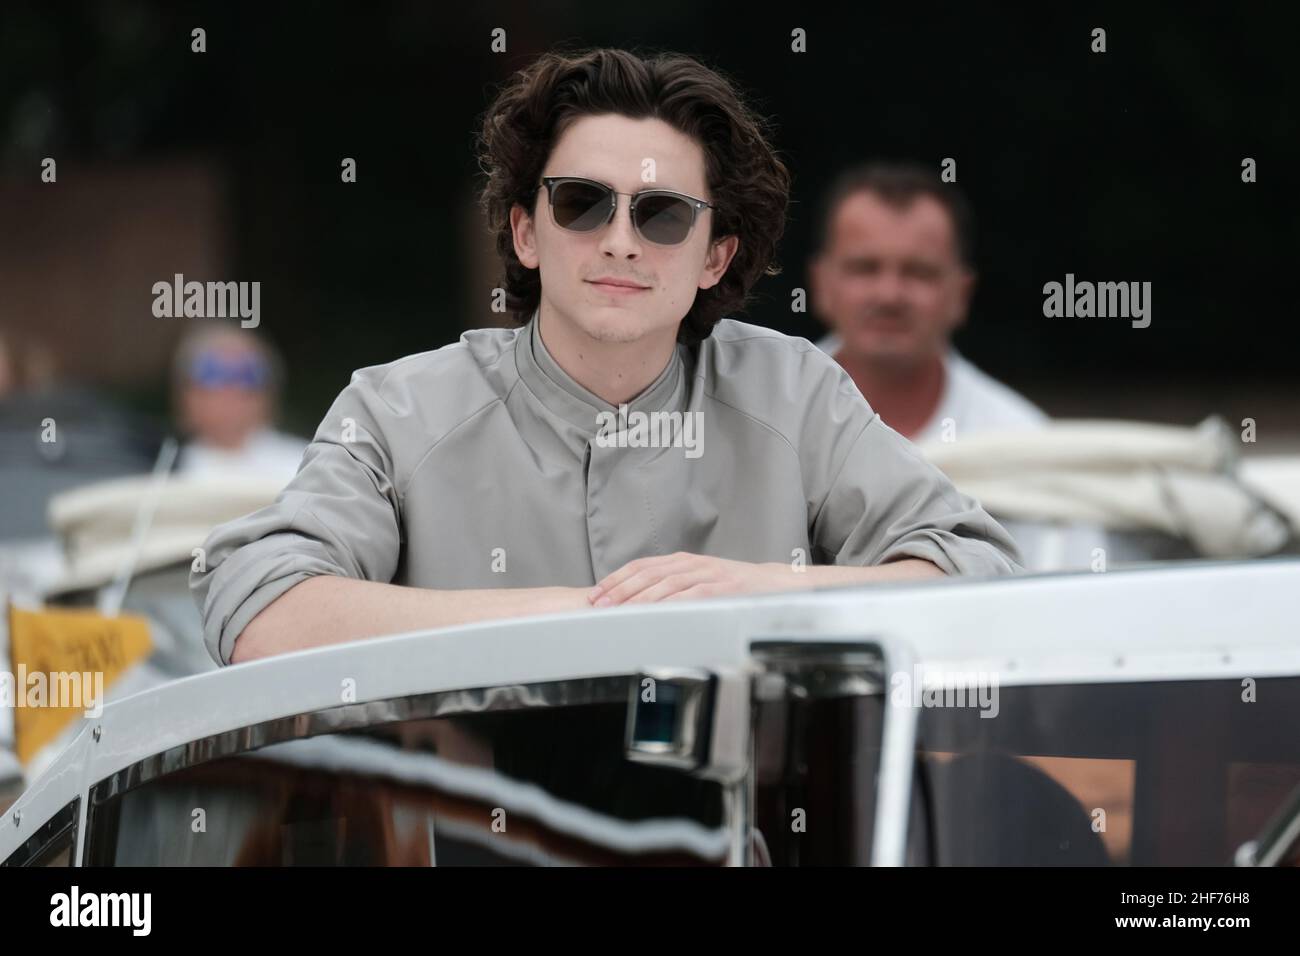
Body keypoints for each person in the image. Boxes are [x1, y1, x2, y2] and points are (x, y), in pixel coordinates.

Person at [191, 48, 1021, 667]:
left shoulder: (794, 393)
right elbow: (260, 605)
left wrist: (766, 591)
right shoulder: (397, 409)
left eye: (662, 215)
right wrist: (572, 617)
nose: (620, 241)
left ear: (714, 258)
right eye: (583, 203)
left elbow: (979, 572)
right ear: (526, 231)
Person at [808, 162, 1046, 444]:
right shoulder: (764, 416)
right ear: (821, 284)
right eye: (865, 268)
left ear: (961, 294)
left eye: (919, 272)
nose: (889, 295)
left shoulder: (1022, 441)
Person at [172, 328, 307, 484]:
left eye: (246, 376)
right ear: (187, 395)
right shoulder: (163, 469)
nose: (230, 391)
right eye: (213, 374)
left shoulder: (305, 466)